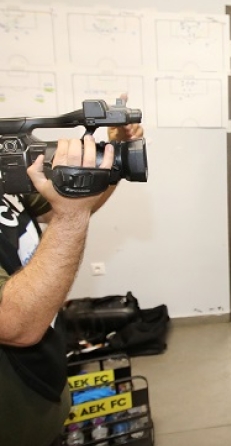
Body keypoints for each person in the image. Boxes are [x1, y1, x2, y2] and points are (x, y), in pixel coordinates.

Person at [0, 123, 142, 445]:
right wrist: (70, 215)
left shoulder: (4, 180)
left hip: (42, 394)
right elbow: (15, 324)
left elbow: (68, 205)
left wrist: (113, 157)